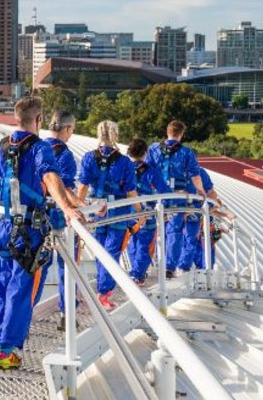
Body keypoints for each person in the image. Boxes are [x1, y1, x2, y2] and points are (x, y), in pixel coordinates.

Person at [0, 96, 85, 370]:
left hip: (2, 228)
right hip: (29, 232)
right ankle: (7, 350)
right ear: (38, 120)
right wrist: (68, 209)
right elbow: (51, 178)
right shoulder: (40, 149)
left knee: (2, 285)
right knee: (21, 290)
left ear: (17, 118)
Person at [77, 120, 138, 310]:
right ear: (116, 135)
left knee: (100, 250)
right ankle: (104, 292)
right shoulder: (125, 162)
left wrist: (81, 208)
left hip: (96, 209)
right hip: (118, 210)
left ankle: (103, 290)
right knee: (112, 252)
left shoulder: (89, 158)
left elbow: (82, 188)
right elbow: (130, 192)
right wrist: (140, 211)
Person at [145, 120, 208, 278]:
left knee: (156, 228)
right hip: (176, 196)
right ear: (181, 134)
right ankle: (169, 267)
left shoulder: (153, 148)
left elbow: (147, 170)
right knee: (174, 231)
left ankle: (150, 264)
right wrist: (201, 191)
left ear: (167, 132)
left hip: (158, 195)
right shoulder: (186, 153)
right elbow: (195, 175)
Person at [42, 111, 82, 331]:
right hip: (60, 218)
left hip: (38, 218)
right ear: (67, 129)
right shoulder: (65, 155)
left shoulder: (38, 148)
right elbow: (65, 189)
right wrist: (80, 207)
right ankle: (67, 315)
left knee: (37, 268)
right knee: (67, 267)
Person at [125, 137, 169, 285]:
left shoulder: (124, 168)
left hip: (128, 213)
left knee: (132, 244)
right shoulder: (151, 171)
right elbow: (164, 191)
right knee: (145, 245)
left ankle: (137, 272)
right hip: (147, 213)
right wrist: (164, 208)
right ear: (145, 153)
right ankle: (137, 274)